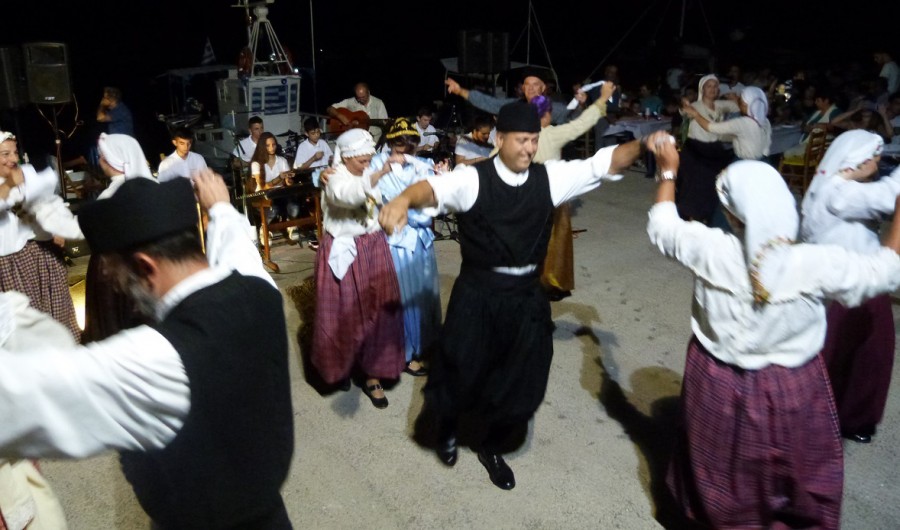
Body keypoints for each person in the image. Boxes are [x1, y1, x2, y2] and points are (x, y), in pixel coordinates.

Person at [0, 171, 294, 528]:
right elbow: (238, 250)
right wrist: (220, 209)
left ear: (144, 267)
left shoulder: (160, 360)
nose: (118, 289)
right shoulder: (260, 291)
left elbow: (20, 397)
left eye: (118, 278)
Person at [378, 101, 645, 490]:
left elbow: (601, 164)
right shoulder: (473, 179)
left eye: (534, 140)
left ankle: (490, 444)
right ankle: (448, 425)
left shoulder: (549, 178)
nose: (529, 148)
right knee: (460, 369)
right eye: (521, 140)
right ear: (500, 139)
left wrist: (645, 144)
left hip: (525, 297)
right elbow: (431, 188)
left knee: (518, 378)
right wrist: (402, 201)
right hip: (478, 294)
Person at [645, 135, 900, 529]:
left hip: (713, 380)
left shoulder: (707, 247)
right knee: (794, 466)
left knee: (718, 461)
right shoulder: (814, 262)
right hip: (791, 386)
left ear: (732, 215)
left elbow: (662, 225)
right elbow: (884, 271)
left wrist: (668, 170)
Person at [800, 130, 900, 443]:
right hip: (858, 284)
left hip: (844, 281)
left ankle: (837, 412)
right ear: (854, 160)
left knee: (843, 353)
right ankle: (852, 417)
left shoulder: (828, 185)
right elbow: (889, 196)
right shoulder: (840, 193)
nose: (876, 163)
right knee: (867, 355)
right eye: (872, 157)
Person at [312, 128, 404, 409]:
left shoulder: (366, 171)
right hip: (344, 250)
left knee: (379, 311)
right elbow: (348, 195)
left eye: (369, 160)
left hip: (372, 246)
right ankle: (341, 365)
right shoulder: (334, 177)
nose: (367, 165)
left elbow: (371, 199)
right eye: (362, 161)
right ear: (346, 157)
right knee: (343, 314)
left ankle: (373, 374)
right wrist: (378, 174)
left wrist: (388, 213)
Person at [369, 117, 444, 377]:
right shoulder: (377, 164)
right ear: (391, 144)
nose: (405, 152)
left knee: (424, 293)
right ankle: (406, 352)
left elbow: (435, 199)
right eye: (400, 147)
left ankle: (426, 343)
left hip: (421, 238)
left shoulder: (423, 164)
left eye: (410, 147)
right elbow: (379, 201)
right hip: (397, 240)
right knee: (403, 295)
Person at [530, 82, 616, 301]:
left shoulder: (519, 135)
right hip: (552, 194)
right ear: (547, 114)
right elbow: (581, 124)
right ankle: (549, 283)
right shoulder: (551, 134)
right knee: (555, 242)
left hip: (526, 195)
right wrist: (602, 99)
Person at [0, 131, 82, 341]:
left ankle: (64, 349)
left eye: (15, 153)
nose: (12, 159)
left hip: (38, 252)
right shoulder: (9, 182)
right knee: (24, 323)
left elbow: (46, 203)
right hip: (8, 261)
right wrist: (8, 186)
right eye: (5, 154)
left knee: (56, 311)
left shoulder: (25, 174)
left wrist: (57, 228)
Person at [82, 133, 156, 343]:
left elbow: (86, 232)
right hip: (149, 265)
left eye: (103, 157)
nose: (100, 161)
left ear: (114, 160)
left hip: (116, 269)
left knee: (115, 322)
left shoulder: (111, 195)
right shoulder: (152, 186)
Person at [675, 74, 740, 226]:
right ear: (702, 89)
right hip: (696, 150)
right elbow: (684, 111)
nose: (712, 89)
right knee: (693, 185)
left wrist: (734, 97)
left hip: (713, 150)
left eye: (715, 86)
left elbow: (738, 106)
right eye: (709, 86)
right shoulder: (696, 106)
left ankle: (705, 216)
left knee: (711, 185)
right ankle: (687, 217)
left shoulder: (720, 105)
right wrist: (684, 105)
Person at [445, 68, 572, 125]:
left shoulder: (554, 108)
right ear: (523, 88)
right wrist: (460, 91)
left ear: (543, 88)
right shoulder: (514, 106)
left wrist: (580, 104)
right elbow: (488, 102)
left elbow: (575, 120)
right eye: (527, 84)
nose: (531, 88)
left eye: (535, 85)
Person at [681, 85, 772, 161]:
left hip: (745, 162)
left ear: (746, 105)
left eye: (740, 102)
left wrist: (695, 114)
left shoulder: (743, 122)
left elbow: (710, 127)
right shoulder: (765, 121)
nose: (739, 104)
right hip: (763, 161)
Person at [250, 132, 299, 241]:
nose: (271, 148)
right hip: (264, 196)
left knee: (294, 206)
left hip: (281, 194)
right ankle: (264, 229)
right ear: (262, 146)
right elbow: (263, 187)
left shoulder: (282, 160)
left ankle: (291, 224)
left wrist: (289, 179)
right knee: (274, 209)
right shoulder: (256, 163)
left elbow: (287, 183)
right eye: (268, 145)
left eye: (274, 145)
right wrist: (279, 178)